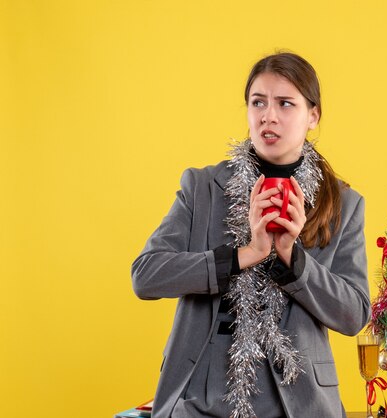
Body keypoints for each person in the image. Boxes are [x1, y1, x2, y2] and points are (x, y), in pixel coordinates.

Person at [131, 52, 370, 418]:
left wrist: (293, 258)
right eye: (258, 102)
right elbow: (146, 276)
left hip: (300, 402)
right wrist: (243, 254)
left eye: (285, 104)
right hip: (200, 398)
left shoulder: (343, 203)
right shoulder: (202, 187)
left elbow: (353, 315)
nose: (268, 116)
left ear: (313, 115)